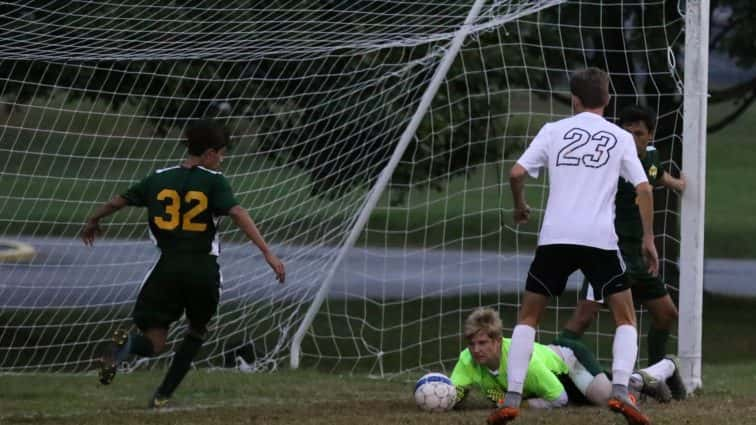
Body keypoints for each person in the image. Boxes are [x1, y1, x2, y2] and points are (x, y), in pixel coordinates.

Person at [81, 119, 285, 408]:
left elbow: (119, 201)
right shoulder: (214, 181)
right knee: (197, 330)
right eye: (222, 153)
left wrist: (94, 219)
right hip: (202, 269)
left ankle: (125, 347)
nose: (222, 160)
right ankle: (162, 396)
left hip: (166, 269)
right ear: (210, 153)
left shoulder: (159, 178)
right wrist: (267, 252)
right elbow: (237, 212)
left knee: (153, 341)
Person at [497, 68, 659, 425]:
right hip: (599, 239)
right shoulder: (619, 136)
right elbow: (644, 189)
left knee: (529, 316)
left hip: (555, 237)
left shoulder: (553, 131)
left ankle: (511, 396)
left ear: (574, 99)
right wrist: (648, 238)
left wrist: (519, 205)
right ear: (608, 99)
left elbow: (516, 173)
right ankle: (619, 391)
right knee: (625, 317)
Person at [556, 104, 687, 400]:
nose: (631, 138)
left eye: (638, 133)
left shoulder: (650, 156)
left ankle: (653, 376)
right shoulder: (608, 162)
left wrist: (677, 183)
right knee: (583, 319)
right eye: (626, 132)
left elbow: (655, 174)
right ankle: (557, 371)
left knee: (666, 314)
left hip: (639, 257)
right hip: (607, 253)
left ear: (649, 136)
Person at [450, 308, 683, 420]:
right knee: (598, 396)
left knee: (608, 399)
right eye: (472, 344)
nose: (476, 350)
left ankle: (660, 369)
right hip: (557, 375)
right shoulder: (467, 360)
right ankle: (655, 372)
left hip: (570, 364)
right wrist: (443, 396)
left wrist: (524, 405)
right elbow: (453, 392)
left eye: (482, 343)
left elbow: (559, 398)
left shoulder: (524, 363)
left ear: (498, 341)